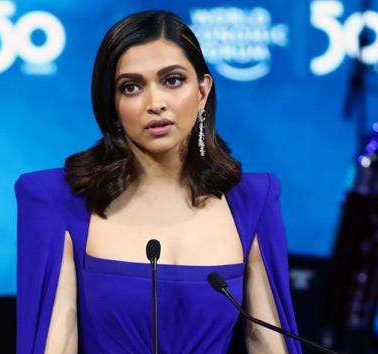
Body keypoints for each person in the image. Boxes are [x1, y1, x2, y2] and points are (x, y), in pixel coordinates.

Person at [16, 10, 301, 354]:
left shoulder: (253, 201)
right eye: (132, 87)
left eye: (173, 80)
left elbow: (269, 344)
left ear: (202, 91)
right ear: (113, 103)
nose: (155, 103)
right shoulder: (58, 200)